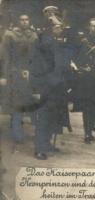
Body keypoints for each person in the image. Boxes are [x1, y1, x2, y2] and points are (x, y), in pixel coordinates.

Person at [30, 22, 75, 160]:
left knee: (53, 116)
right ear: (50, 28)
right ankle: (39, 148)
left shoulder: (57, 43)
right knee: (43, 118)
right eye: (57, 27)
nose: (61, 29)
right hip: (45, 87)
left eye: (61, 27)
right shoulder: (42, 43)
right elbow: (36, 67)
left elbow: (61, 63)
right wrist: (36, 89)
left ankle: (47, 143)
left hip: (57, 86)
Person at [0, 14, 38, 144]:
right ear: (18, 21)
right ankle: (17, 132)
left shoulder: (33, 35)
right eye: (22, 20)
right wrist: (3, 76)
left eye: (27, 19)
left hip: (30, 74)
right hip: (14, 74)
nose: (24, 22)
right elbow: (4, 57)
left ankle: (19, 128)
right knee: (16, 103)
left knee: (26, 103)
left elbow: (36, 56)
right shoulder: (10, 35)